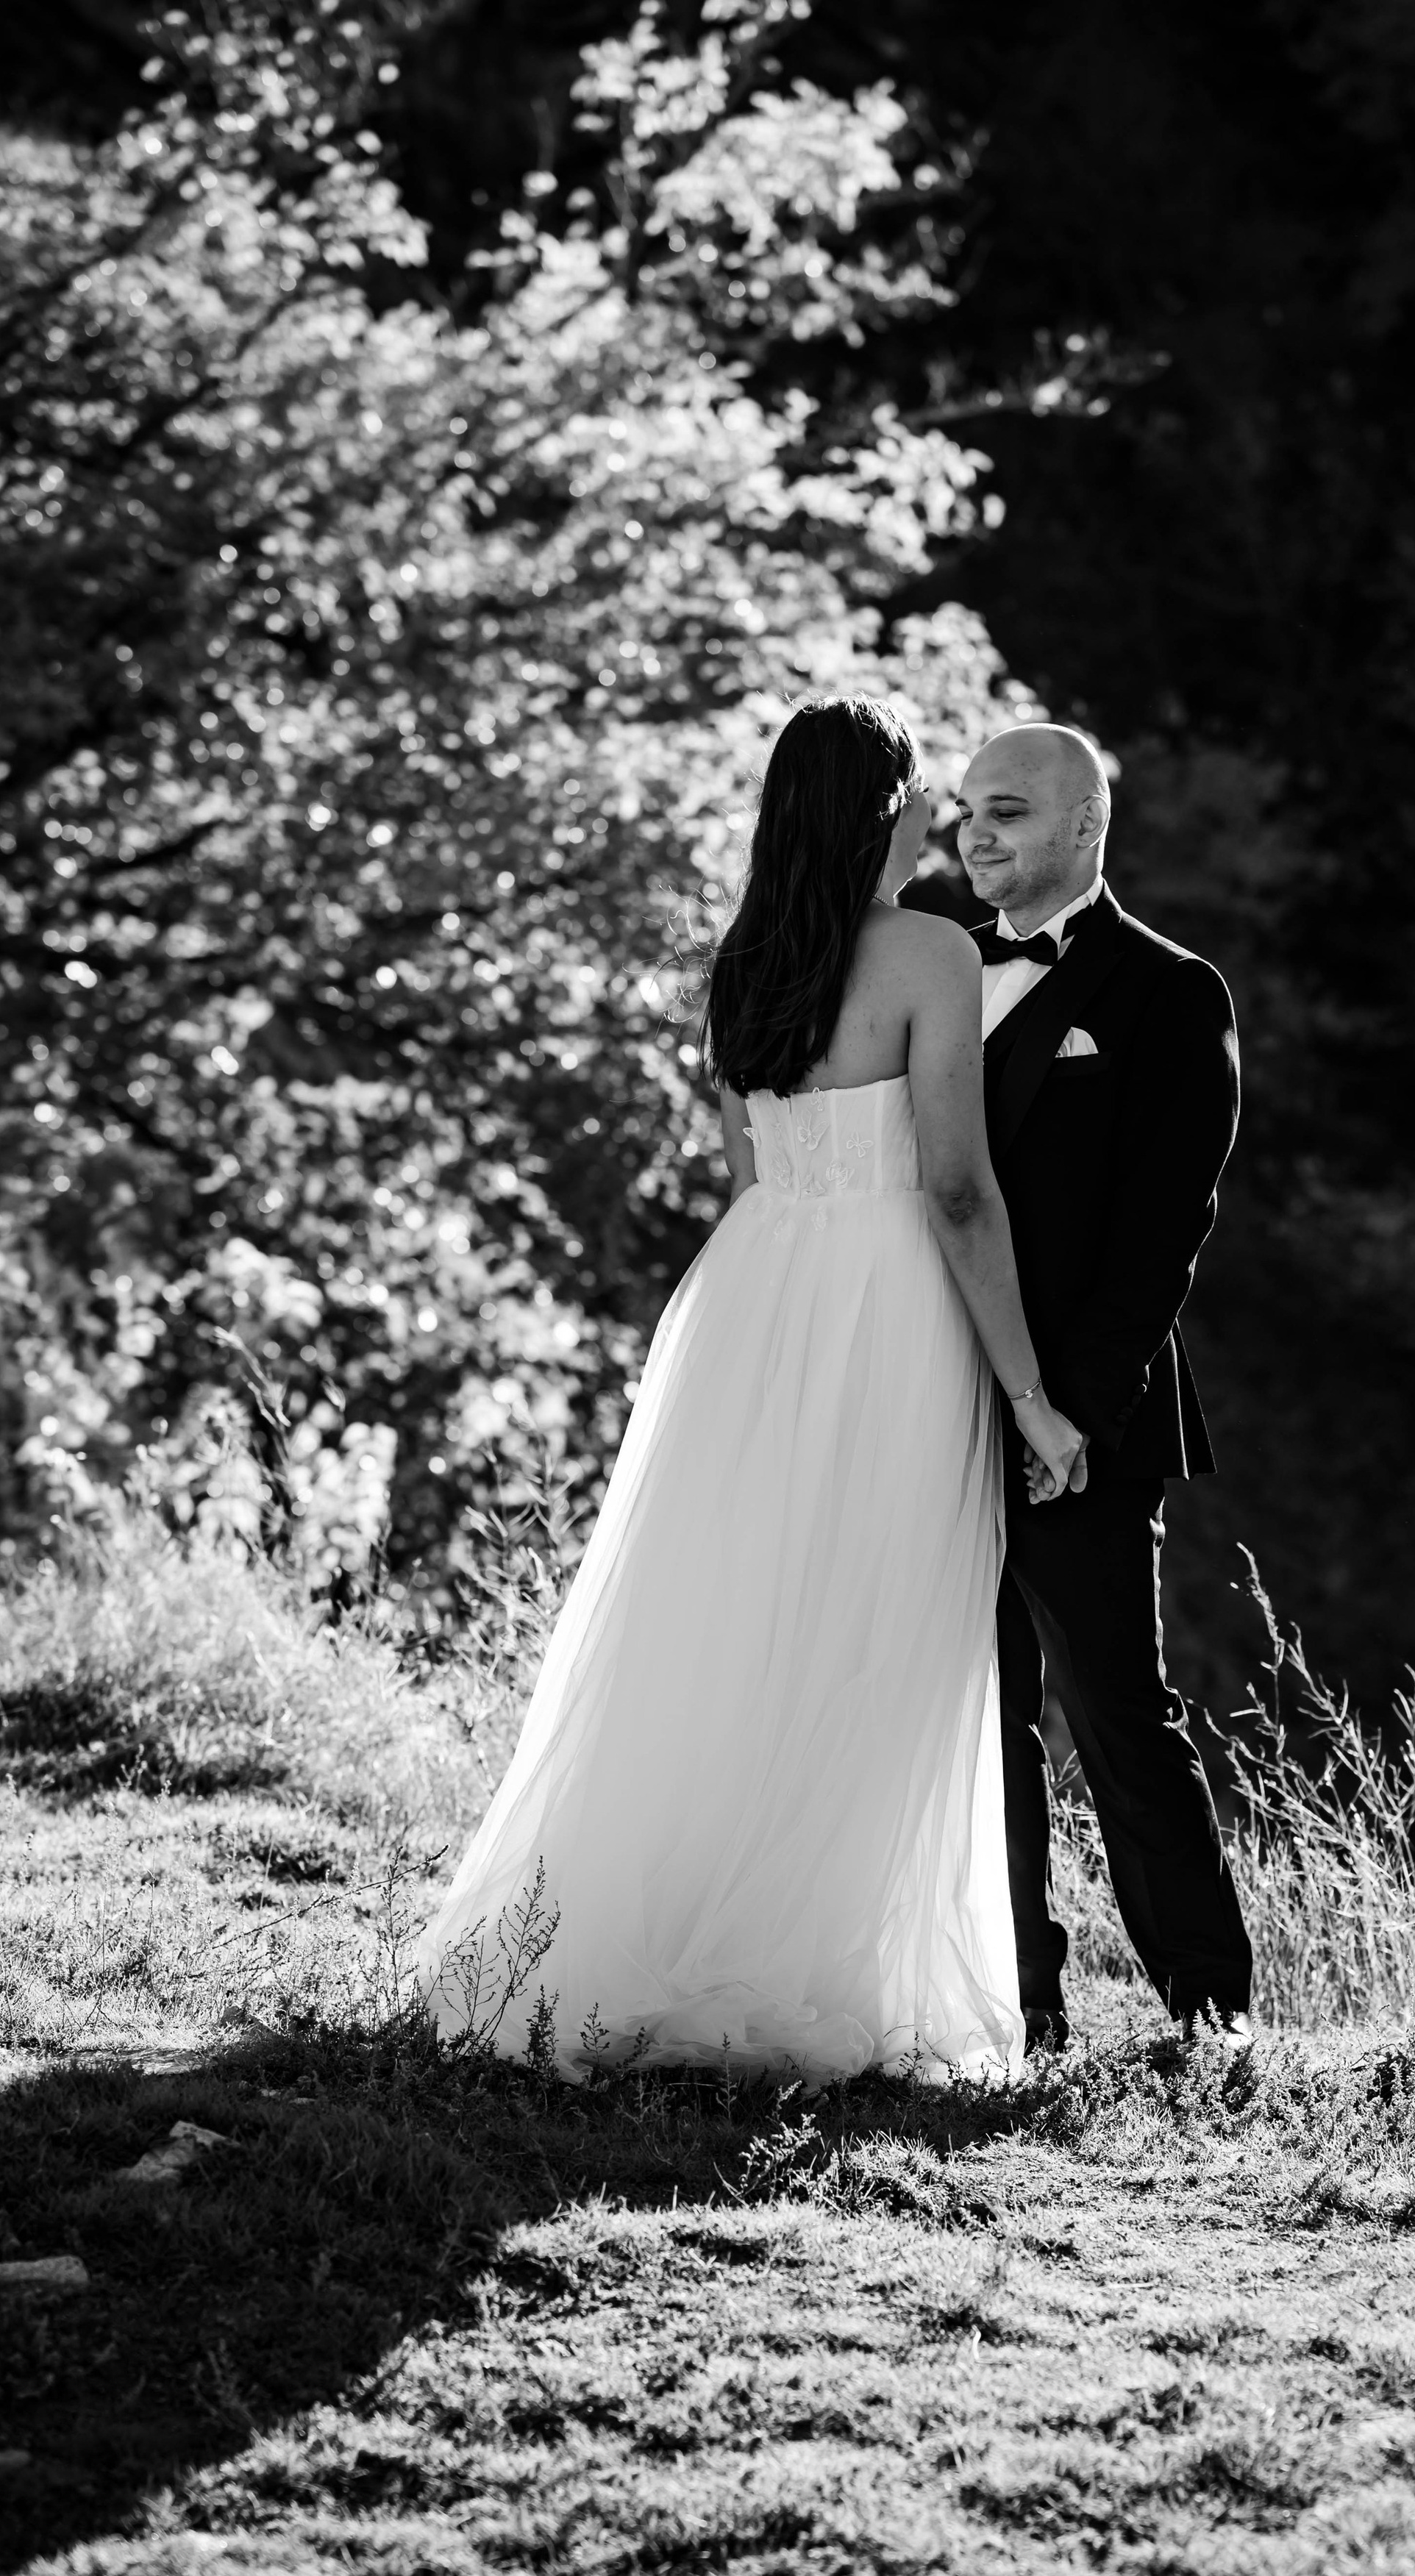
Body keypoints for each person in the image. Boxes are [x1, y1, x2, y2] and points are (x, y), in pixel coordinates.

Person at [417, 696, 1086, 2080]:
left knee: (737, 1612)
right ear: (877, 808)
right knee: (875, 1623)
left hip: (756, 1294)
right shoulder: (928, 950)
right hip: (887, 1302)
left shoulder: (746, 962)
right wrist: (1027, 1392)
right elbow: (958, 1191)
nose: (942, 816)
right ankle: (821, 1961)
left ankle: (669, 1923)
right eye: (918, 792)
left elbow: (751, 1168)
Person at [955, 723, 1253, 2049]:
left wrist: (1068, 1409)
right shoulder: (932, 966)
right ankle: (1025, 2010)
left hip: (1086, 1420)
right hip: (932, 1402)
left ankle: (1210, 2009)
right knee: (978, 1721)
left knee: (1120, 1713)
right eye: (967, 811)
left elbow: (1162, 1230)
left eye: (1007, 812)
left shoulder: (1169, 991)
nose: (978, 833)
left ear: (1084, 827)